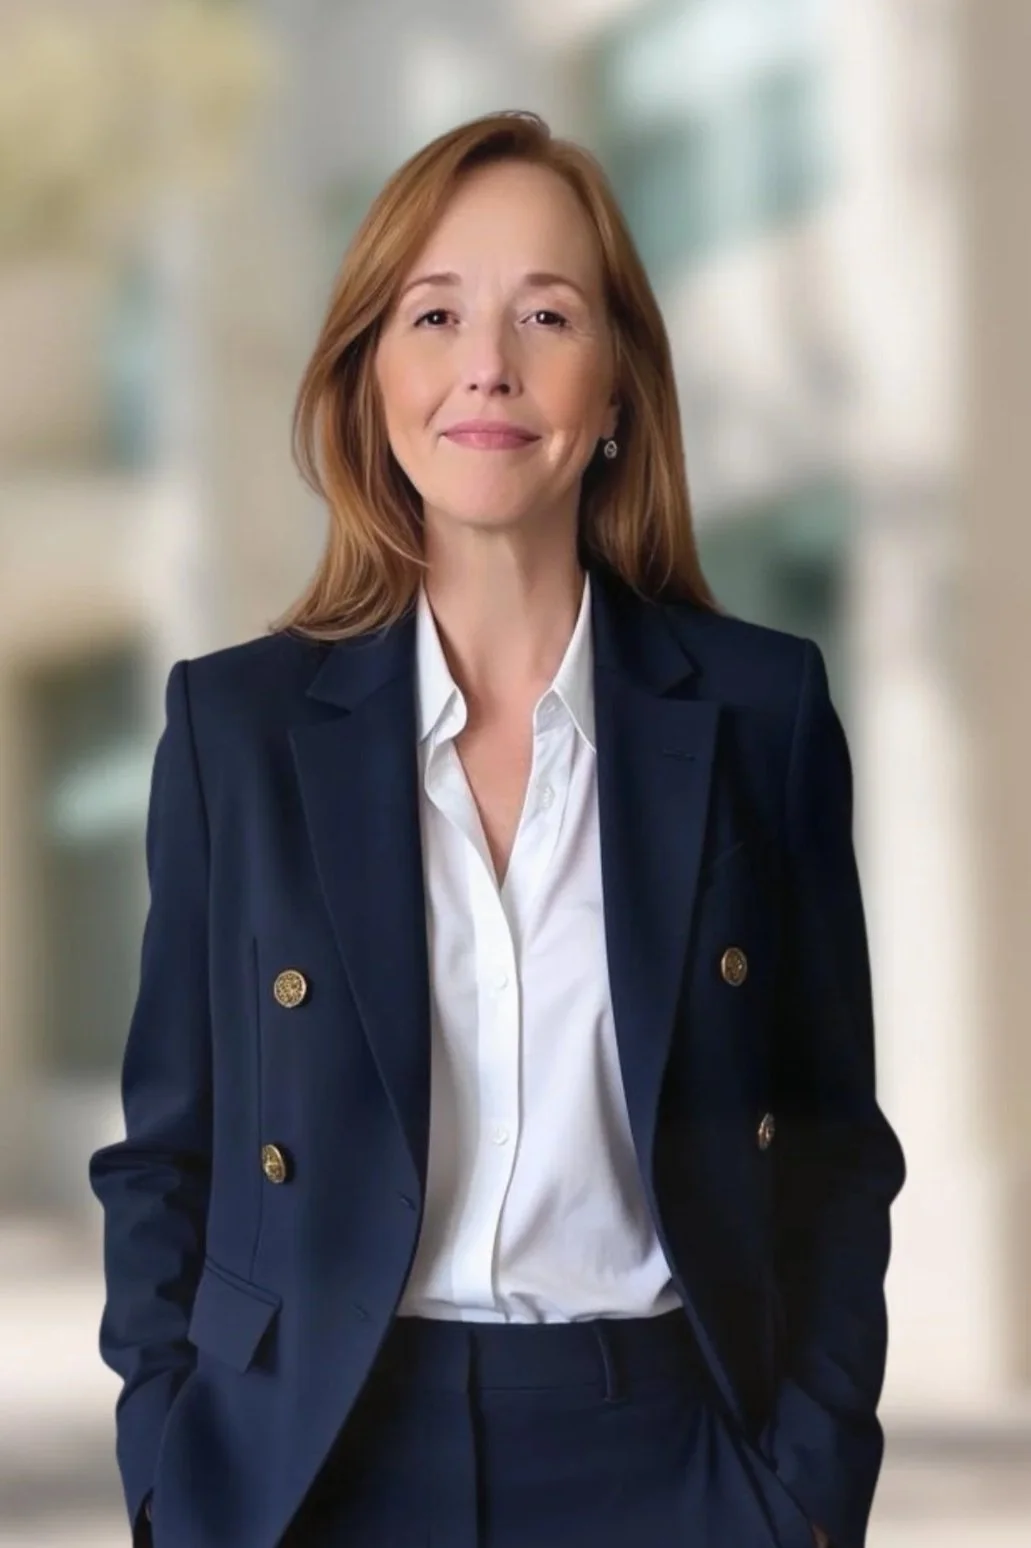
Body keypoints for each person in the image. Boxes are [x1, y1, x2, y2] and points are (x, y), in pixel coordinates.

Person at [89, 109, 906, 1548]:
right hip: (312, 1468)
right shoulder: (237, 730)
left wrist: (805, 1484)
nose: (488, 364)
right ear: (369, 381)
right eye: (435, 313)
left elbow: (832, 1141)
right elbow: (169, 1154)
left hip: (676, 1463)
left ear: (615, 394)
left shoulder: (759, 714)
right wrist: (174, 1463)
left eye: (546, 312)